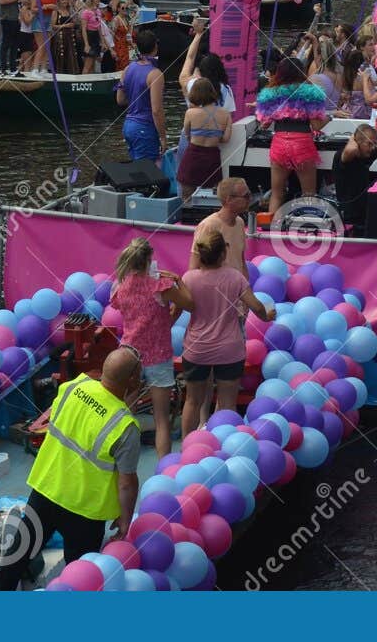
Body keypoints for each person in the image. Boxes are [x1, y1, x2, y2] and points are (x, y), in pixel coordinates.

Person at [0, 348, 144, 589]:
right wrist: (124, 520)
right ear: (132, 379)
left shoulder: (74, 387)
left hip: (47, 488)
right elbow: (126, 482)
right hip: (84, 511)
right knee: (79, 577)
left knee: (16, 558)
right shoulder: (124, 426)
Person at [108, 238, 197, 460]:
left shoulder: (120, 287)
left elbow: (129, 311)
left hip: (129, 356)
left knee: (124, 416)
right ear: (149, 260)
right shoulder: (160, 287)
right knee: (161, 421)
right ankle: (163, 469)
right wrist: (178, 280)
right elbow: (189, 303)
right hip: (158, 357)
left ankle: (120, 462)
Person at [180, 228, 273, 434]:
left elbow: (177, 310)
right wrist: (267, 316)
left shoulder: (189, 278)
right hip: (229, 350)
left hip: (197, 349)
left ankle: (186, 446)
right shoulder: (235, 277)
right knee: (227, 404)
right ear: (223, 254)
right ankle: (226, 445)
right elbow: (256, 307)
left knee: (192, 401)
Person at [255, 57, 328, 214]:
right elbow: (316, 126)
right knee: (308, 195)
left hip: (279, 143)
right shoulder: (311, 92)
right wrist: (330, 117)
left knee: (276, 194)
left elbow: (264, 123)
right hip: (302, 144)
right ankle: (306, 232)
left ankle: (270, 232)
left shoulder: (270, 93)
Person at [116, 26, 167, 161]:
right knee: (148, 173)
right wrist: (163, 137)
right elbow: (156, 110)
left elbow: (120, 100)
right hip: (144, 128)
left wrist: (137, 99)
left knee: (137, 169)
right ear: (155, 46)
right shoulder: (155, 74)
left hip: (128, 126)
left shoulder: (127, 68)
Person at [176, 77, 232, 195]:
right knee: (214, 192)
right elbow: (226, 139)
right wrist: (214, 136)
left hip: (193, 155)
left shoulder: (190, 113)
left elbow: (187, 135)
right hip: (212, 157)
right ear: (213, 92)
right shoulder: (225, 114)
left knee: (186, 191)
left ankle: (186, 210)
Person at [334, 124, 377, 227]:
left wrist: (373, 143)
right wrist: (353, 138)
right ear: (357, 142)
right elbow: (352, 150)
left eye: (374, 144)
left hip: (364, 209)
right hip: (348, 213)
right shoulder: (344, 155)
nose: (372, 148)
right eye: (369, 144)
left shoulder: (368, 153)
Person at [193, 177, 250, 262]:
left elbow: (241, 262)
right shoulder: (208, 225)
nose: (250, 199)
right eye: (246, 196)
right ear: (229, 200)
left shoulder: (240, 222)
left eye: (249, 194)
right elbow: (195, 265)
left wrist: (244, 276)